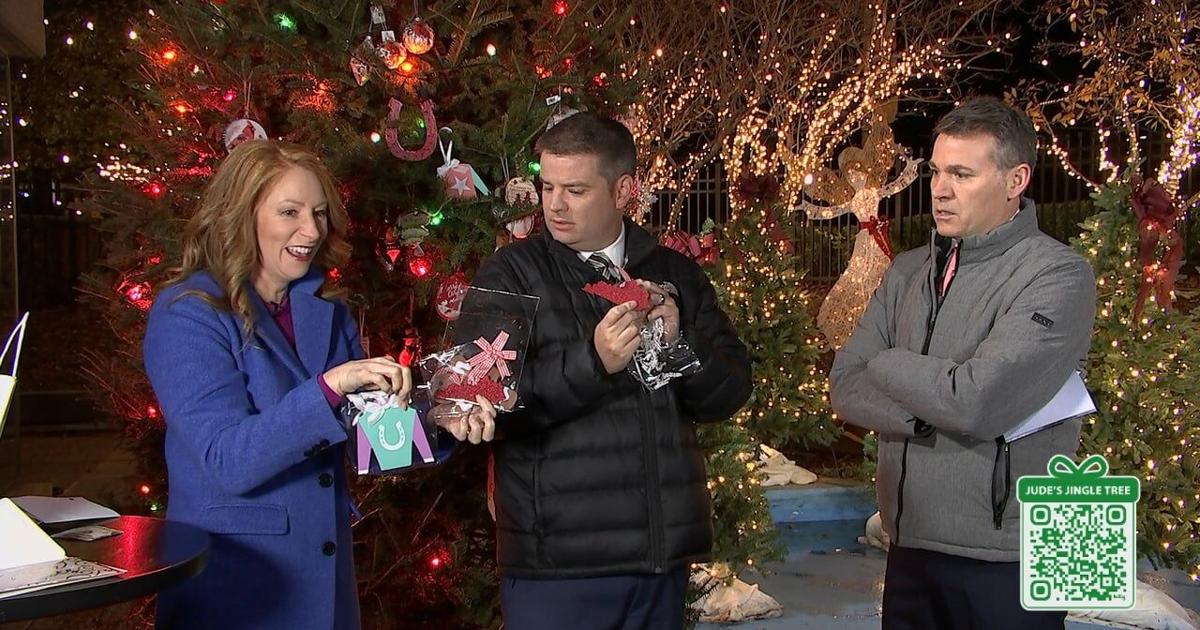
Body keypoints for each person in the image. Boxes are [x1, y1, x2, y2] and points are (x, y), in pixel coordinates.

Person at [143, 140, 497, 629]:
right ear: (241, 215)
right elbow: (228, 460)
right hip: (234, 588)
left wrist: (439, 422)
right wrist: (329, 387)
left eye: (319, 213)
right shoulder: (188, 313)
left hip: (323, 583)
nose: (310, 231)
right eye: (289, 212)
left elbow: (365, 442)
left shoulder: (326, 311)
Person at [468, 112, 753, 630]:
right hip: (556, 567)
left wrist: (679, 344)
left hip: (657, 564)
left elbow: (728, 395)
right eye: (547, 186)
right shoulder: (510, 273)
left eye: (574, 190)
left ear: (624, 190)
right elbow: (483, 404)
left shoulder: (675, 273)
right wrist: (592, 362)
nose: (553, 205)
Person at [829, 97, 1097, 630]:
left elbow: (977, 401)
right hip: (910, 543)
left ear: (1015, 179)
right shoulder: (906, 273)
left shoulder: (1058, 276)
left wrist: (887, 361)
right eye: (935, 171)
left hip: (1010, 559)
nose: (940, 189)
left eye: (962, 173)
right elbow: (845, 385)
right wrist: (929, 407)